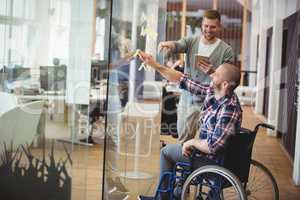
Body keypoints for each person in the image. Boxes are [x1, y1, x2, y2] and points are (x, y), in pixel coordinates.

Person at [137, 51, 242, 200]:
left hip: (211, 161)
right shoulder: (215, 93)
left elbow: (213, 146)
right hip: (209, 156)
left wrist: (191, 142)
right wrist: (154, 64)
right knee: (175, 149)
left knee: (166, 152)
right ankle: (176, 191)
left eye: (216, 74)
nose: (211, 75)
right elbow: (183, 80)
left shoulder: (228, 108)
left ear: (224, 84)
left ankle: (162, 198)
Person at [158, 9, 234, 142]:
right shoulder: (191, 42)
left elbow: (228, 80)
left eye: (212, 27)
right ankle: (183, 161)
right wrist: (168, 44)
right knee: (183, 137)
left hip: (210, 101)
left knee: (206, 140)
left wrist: (213, 72)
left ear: (219, 27)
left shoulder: (226, 50)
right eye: (206, 26)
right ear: (202, 25)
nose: (208, 30)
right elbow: (178, 45)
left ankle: (197, 161)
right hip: (187, 99)